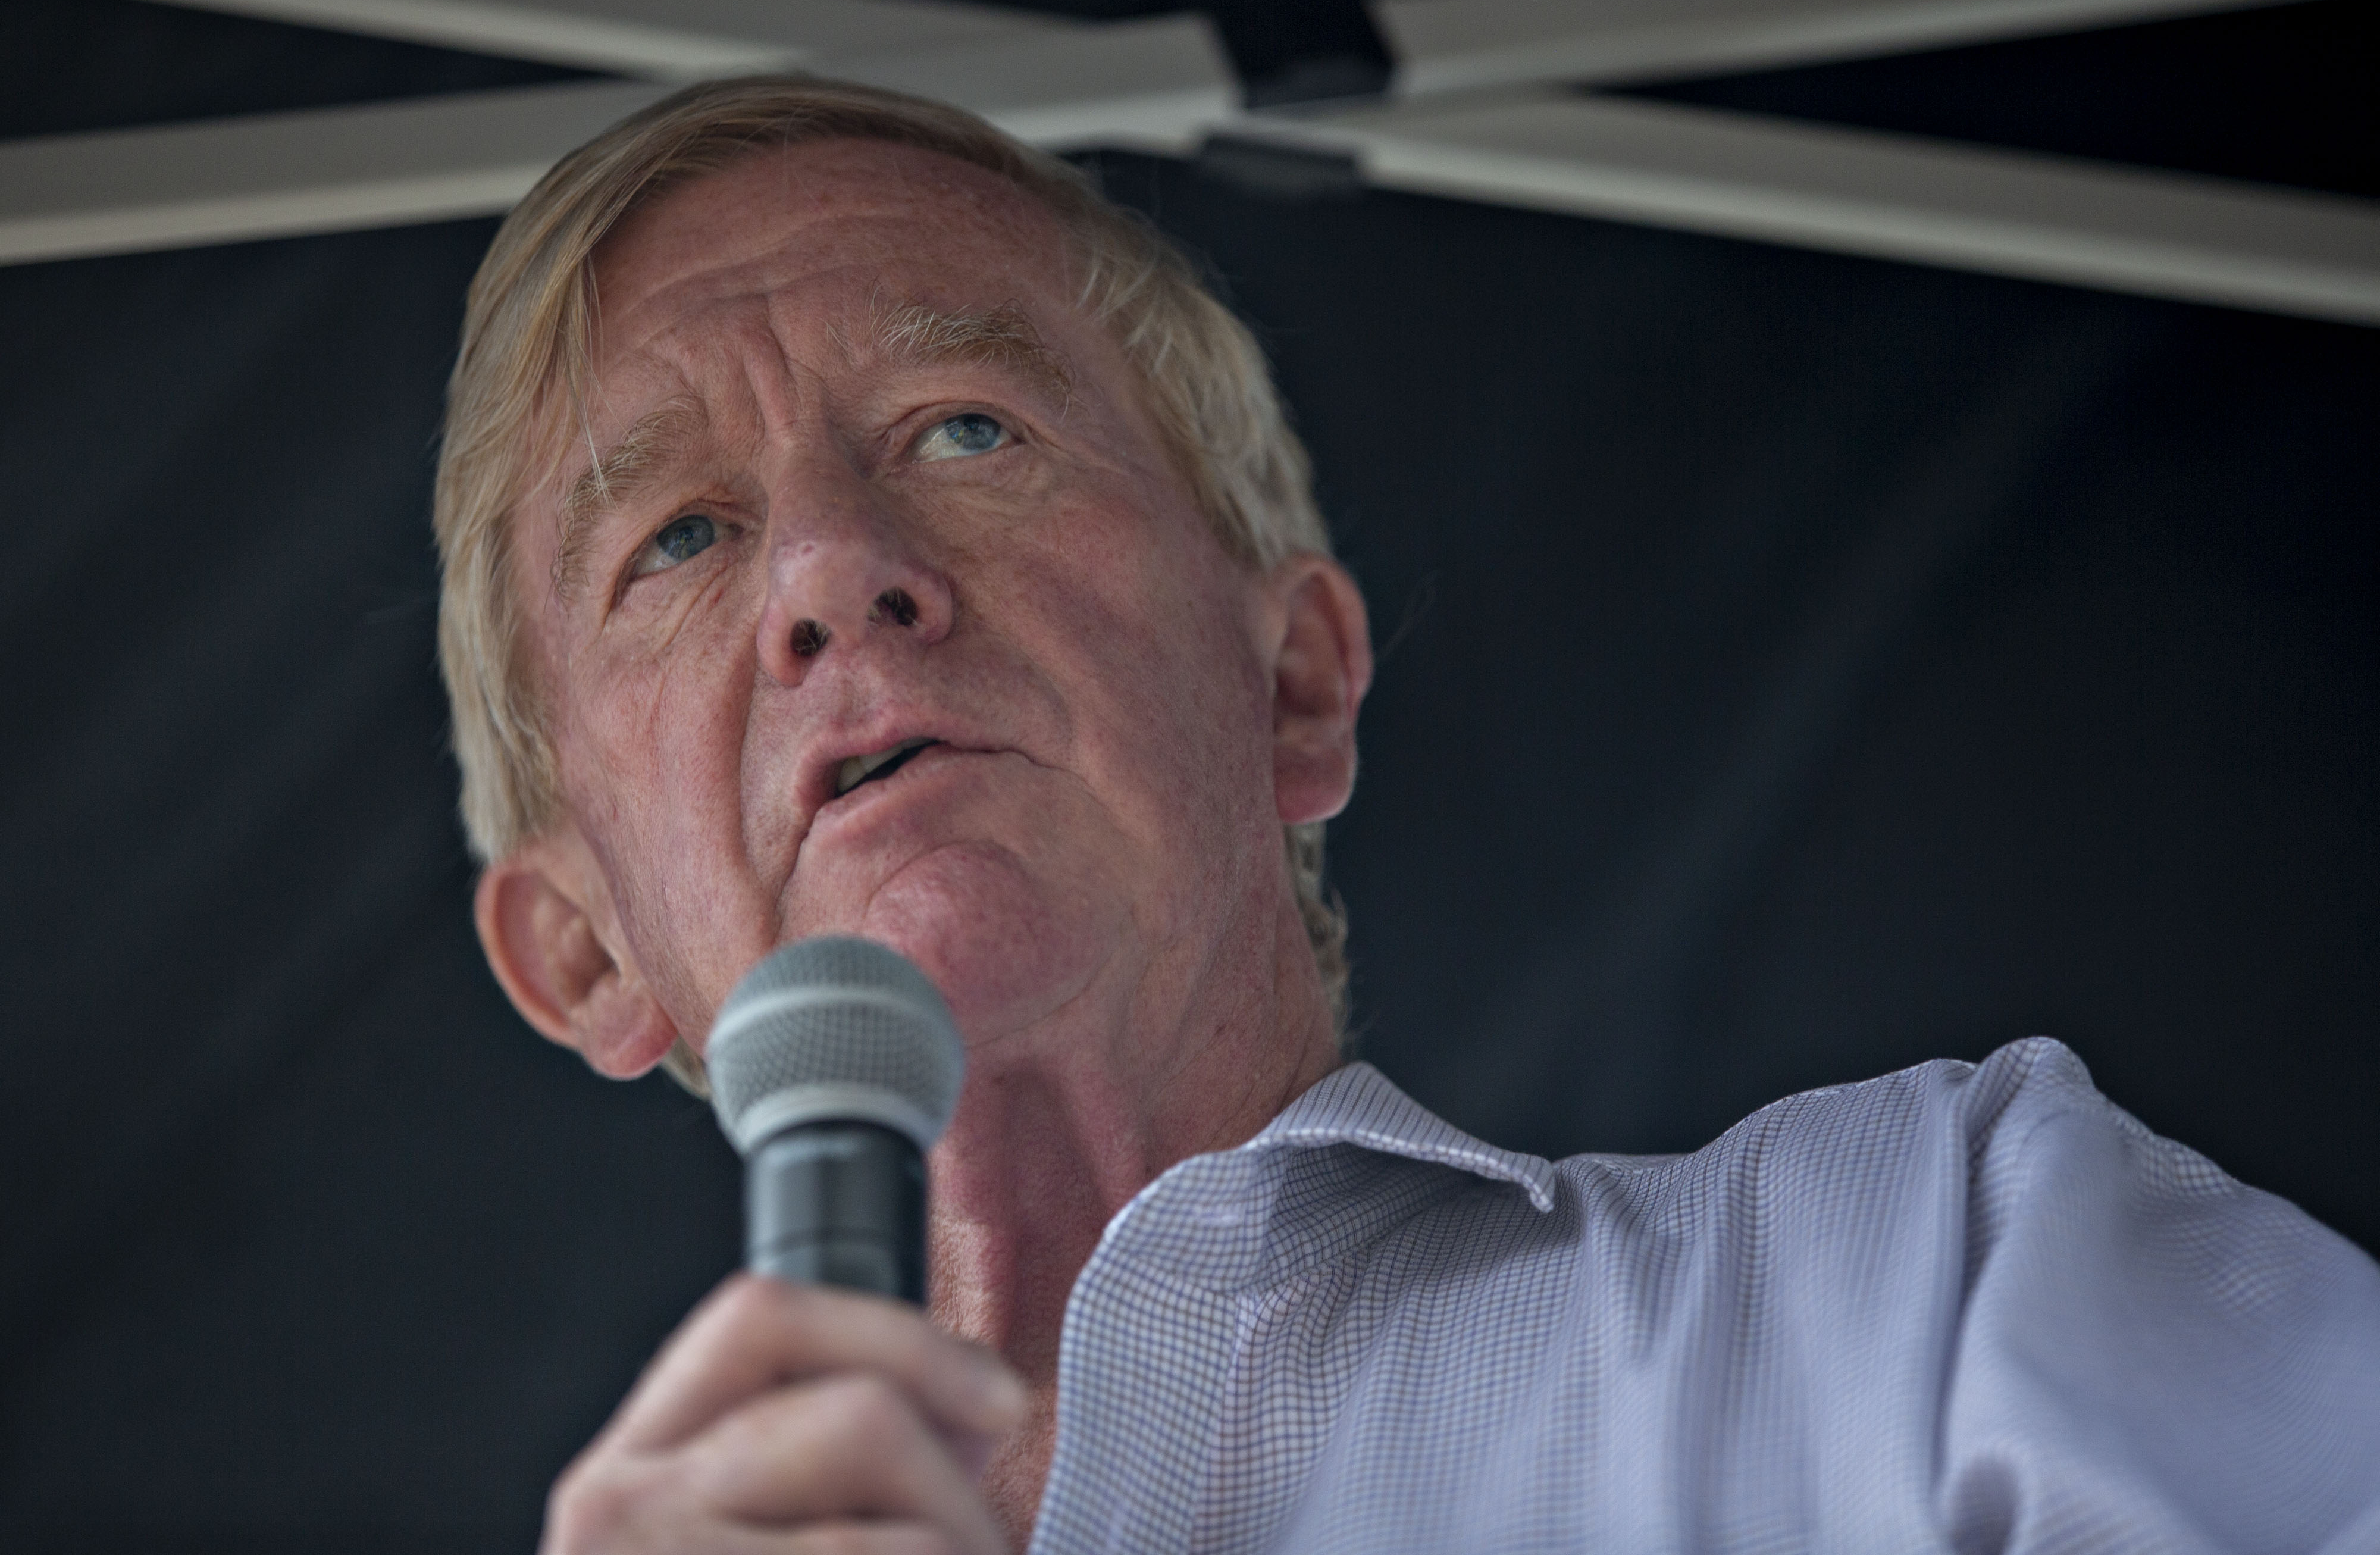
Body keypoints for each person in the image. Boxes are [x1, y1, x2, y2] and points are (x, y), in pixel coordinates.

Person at [434, 77, 2380, 1554]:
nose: (836, 575)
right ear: (584, 947)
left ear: (1292, 680)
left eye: (969, 429)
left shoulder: (1935, 1279)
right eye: (677, 536)